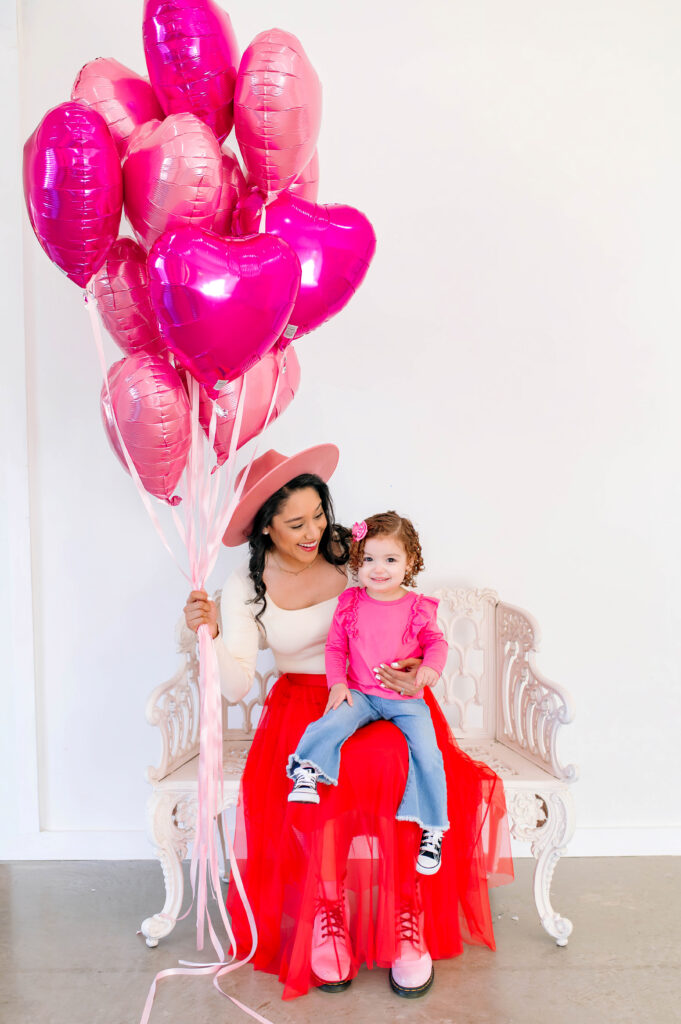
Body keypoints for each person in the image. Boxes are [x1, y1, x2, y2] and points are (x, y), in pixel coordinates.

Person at [183, 445, 513, 1001]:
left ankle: (407, 910)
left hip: (383, 696)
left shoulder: (348, 553)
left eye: (318, 514)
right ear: (267, 529)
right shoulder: (247, 588)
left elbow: (403, 603)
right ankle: (327, 911)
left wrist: (417, 663)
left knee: (394, 759)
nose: (313, 531)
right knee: (321, 780)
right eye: (295, 523)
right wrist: (210, 635)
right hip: (307, 706)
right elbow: (238, 684)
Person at [288, 511, 450, 878]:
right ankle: (307, 769)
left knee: (428, 751)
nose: (379, 569)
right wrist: (338, 683)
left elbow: (436, 643)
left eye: (390, 560)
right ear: (359, 562)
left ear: (410, 562)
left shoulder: (418, 608)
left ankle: (433, 826)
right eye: (370, 560)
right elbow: (335, 649)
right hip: (361, 693)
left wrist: (429, 669)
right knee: (335, 718)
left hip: (406, 702)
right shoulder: (351, 603)